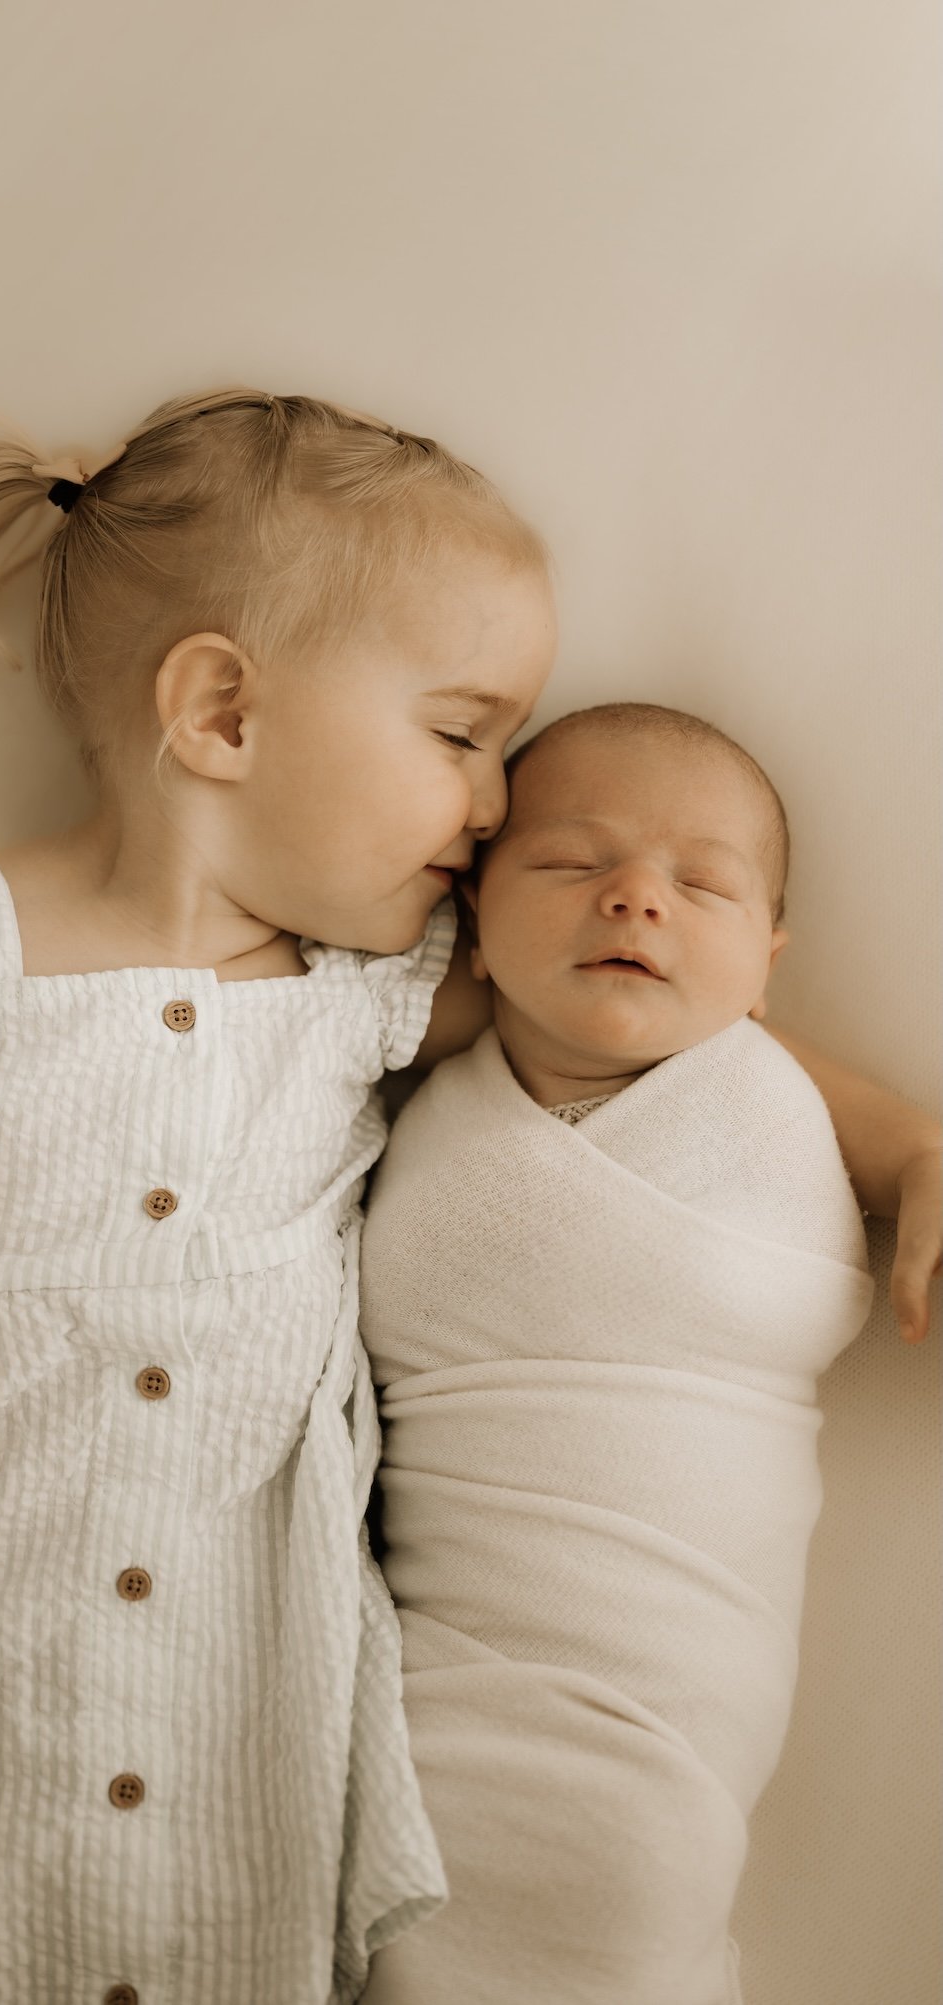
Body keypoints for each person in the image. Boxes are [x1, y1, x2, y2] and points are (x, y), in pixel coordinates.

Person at [0, 391, 934, 2005]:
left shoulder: (369, 1000)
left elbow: (675, 1014)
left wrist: (908, 1153)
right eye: (460, 734)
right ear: (221, 711)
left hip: (230, 1754)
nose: (500, 802)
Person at [357, 702, 939, 2005]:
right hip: (423, 1690)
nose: (633, 898)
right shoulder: (411, 1075)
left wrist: (918, 1155)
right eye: (571, 863)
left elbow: (893, 1145)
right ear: (476, 915)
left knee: (620, 1881)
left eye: (702, 881)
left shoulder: (766, 1090)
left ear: (766, 960)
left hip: (658, 1705)